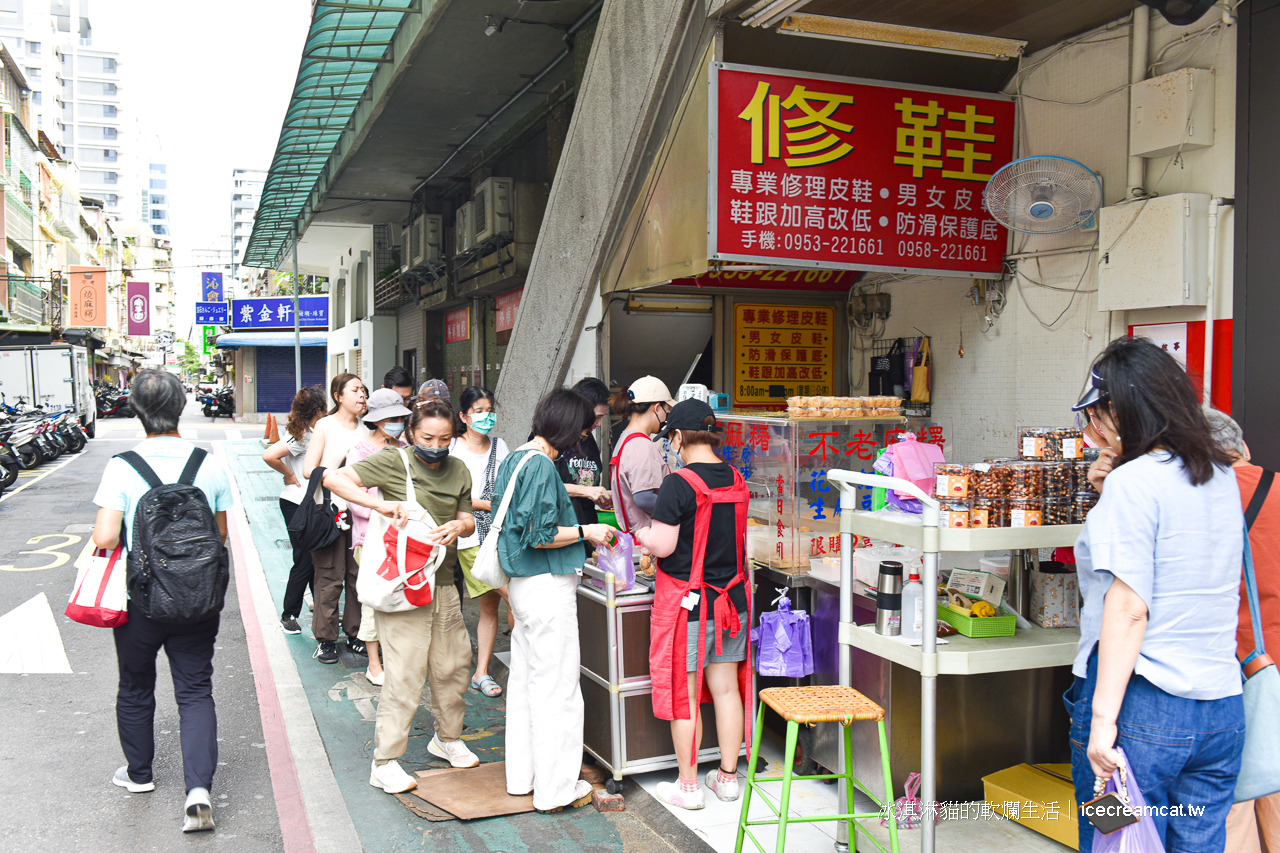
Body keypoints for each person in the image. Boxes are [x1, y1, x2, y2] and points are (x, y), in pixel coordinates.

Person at [1065, 338, 1245, 853]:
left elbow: (1129, 607)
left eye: (1097, 417)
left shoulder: (1136, 482)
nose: (1093, 432)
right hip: (1219, 713)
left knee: (1115, 841)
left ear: (1122, 411)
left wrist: (1102, 726)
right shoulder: (1221, 475)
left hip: (1140, 715)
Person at [91, 370, 234, 833]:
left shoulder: (122, 464)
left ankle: (139, 775)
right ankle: (198, 791)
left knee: (135, 685)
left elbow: (106, 536)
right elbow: (220, 534)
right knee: (194, 690)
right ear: (182, 406)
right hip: (197, 599)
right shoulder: (205, 463)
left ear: (136, 409)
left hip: (141, 601)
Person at [324, 400, 480, 794]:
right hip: (404, 586)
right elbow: (335, 480)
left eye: (445, 439)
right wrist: (380, 504)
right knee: (405, 675)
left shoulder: (458, 468)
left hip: (444, 583)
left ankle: (446, 738)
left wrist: (458, 528)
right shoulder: (395, 462)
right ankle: (385, 761)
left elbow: (468, 518)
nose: (436, 445)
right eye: (428, 437)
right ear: (412, 433)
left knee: (454, 666)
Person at [491, 389, 616, 811]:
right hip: (548, 587)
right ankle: (556, 790)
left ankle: (523, 779)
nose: (583, 436)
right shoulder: (543, 464)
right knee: (558, 690)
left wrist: (581, 495)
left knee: (527, 684)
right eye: (583, 428)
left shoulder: (518, 457)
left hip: (523, 587)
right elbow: (540, 535)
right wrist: (588, 533)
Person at [634, 400, 751, 810]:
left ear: (678, 437)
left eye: (672, 440)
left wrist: (645, 536)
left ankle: (688, 787)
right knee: (725, 689)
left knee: (684, 694)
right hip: (732, 602)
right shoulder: (737, 478)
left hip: (691, 605)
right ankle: (728, 778)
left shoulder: (678, 483)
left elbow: (664, 544)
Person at [1203, 407, 1280, 853]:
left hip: (1227, 670)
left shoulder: (1194, 500)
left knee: (1231, 801)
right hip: (1273, 670)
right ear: (1243, 448)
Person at [345, 388, 412, 687]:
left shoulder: (407, 447)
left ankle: (398, 658)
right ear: (379, 421)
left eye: (401, 416)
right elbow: (355, 500)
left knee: (404, 596)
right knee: (374, 599)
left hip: (408, 537)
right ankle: (374, 664)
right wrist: (386, 511)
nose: (399, 422)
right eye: (393, 418)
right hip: (372, 539)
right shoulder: (359, 451)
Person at [302, 373, 370, 664]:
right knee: (329, 577)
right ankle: (326, 640)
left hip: (362, 515)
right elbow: (309, 469)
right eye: (355, 390)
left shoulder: (368, 430)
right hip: (330, 512)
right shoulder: (325, 426)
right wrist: (340, 475)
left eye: (364, 391)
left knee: (357, 576)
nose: (362, 395)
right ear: (338, 396)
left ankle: (355, 634)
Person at [449, 386, 512, 697]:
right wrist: (487, 504)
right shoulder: (451, 449)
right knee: (517, 597)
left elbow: (513, 486)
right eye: (479, 411)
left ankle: (481, 673)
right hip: (469, 538)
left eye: (490, 410)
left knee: (491, 606)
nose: (487, 416)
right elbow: (450, 497)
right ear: (464, 416)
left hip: (500, 535)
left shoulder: (502, 447)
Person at [262, 386, 328, 635]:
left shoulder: (305, 431)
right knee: (305, 559)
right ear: (319, 410)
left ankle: (316, 605)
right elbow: (269, 455)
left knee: (312, 557)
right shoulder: (305, 436)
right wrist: (289, 475)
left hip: (304, 504)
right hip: (297, 504)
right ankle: (289, 614)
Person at [608, 376, 675, 534]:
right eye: (667, 411)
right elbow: (644, 498)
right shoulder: (640, 444)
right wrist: (682, 509)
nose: (666, 417)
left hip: (635, 536)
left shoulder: (626, 438)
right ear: (657, 408)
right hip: (647, 538)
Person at [556, 378, 612, 551]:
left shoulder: (588, 438)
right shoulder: (553, 438)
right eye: (596, 418)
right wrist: (586, 491)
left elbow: (589, 481)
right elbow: (546, 486)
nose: (598, 424)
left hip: (589, 532)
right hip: (562, 533)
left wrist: (599, 496)